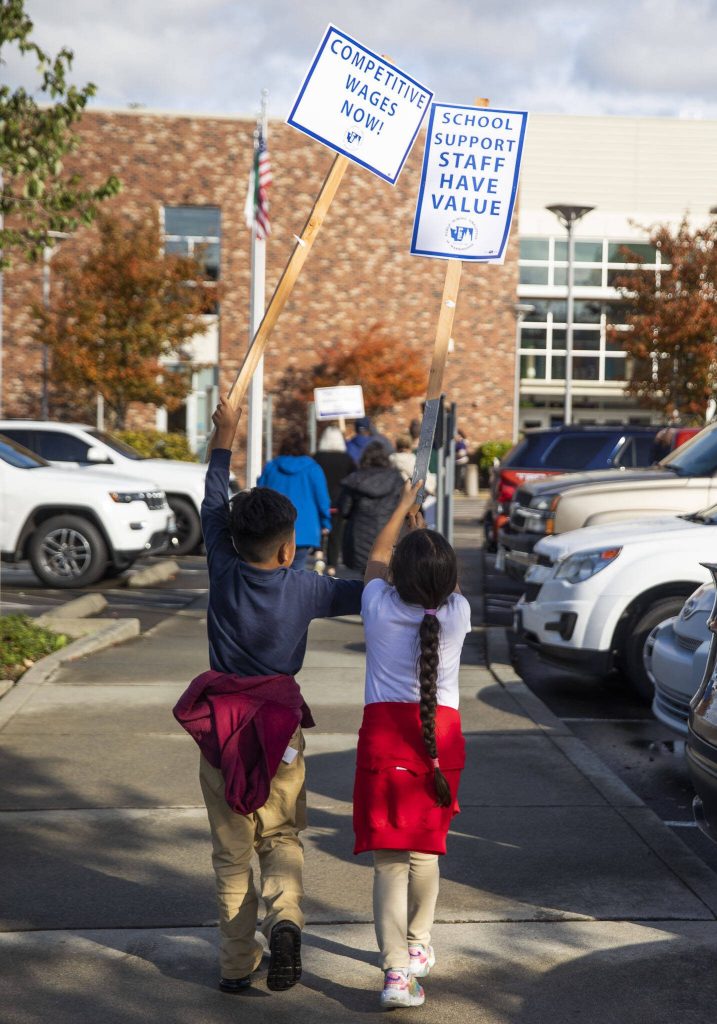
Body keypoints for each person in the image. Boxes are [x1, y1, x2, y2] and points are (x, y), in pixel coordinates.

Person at [174, 397, 363, 994]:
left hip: (220, 728)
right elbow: (373, 590)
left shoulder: (224, 570)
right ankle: (285, 920)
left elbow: (211, 501)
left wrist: (224, 438)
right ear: (288, 549)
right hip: (280, 728)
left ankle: (236, 965)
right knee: (279, 835)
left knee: (231, 852)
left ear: (232, 540)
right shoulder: (308, 589)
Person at [353, 482, 471, 1009]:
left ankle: (396, 974)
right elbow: (440, 579)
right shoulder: (457, 614)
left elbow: (377, 558)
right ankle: (419, 946)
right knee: (426, 850)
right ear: (448, 582)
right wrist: (427, 536)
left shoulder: (377, 606)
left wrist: (401, 505)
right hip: (439, 739)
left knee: (388, 864)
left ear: (397, 578)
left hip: (383, 737)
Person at [258, 429, 331, 569]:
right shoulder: (313, 469)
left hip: (273, 526)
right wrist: (325, 523)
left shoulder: (271, 467)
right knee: (297, 570)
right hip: (304, 529)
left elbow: (259, 496)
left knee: (273, 570)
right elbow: (322, 500)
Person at [339, 441, 404, 575]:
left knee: (358, 584)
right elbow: (402, 506)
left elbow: (344, 510)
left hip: (358, 537)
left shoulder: (355, 479)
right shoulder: (396, 479)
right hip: (388, 534)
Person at [312, 425, 355, 576]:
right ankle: (332, 565)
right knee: (335, 535)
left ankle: (318, 556)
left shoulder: (317, 457)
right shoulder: (347, 460)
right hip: (339, 503)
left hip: (318, 502)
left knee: (319, 530)